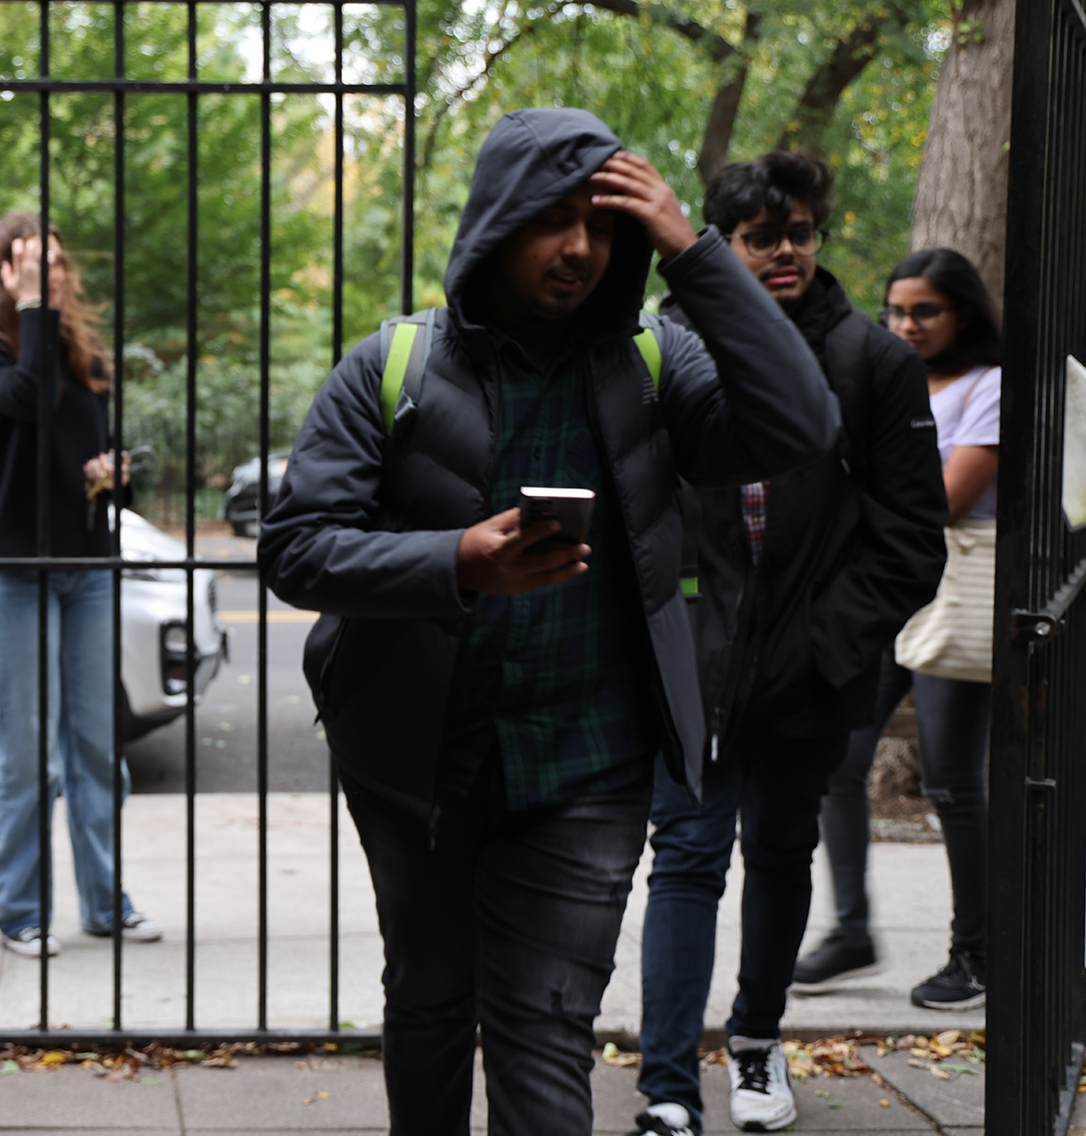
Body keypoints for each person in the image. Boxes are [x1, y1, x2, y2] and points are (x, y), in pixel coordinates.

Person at [259, 108, 837, 1136]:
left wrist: (689, 247)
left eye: (599, 224)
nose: (578, 247)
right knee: (432, 995)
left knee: (542, 1026)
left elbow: (800, 420)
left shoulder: (656, 363)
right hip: (415, 762)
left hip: (588, 763)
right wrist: (454, 560)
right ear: (496, 219)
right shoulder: (388, 366)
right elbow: (296, 547)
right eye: (550, 219)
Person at [630, 153, 947, 1136]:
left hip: (809, 670)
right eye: (760, 235)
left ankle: (757, 1043)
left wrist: (826, 643)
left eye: (798, 232)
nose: (784, 251)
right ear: (716, 243)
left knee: (776, 851)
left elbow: (908, 535)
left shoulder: (870, 360)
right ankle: (667, 1084)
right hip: (689, 665)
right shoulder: (660, 345)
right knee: (685, 857)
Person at [794, 248, 1002, 1011]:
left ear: (963, 314)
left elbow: (941, 500)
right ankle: (851, 929)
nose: (907, 324)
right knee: (838, 765)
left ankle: (974, 955)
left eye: (925, 310)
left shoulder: (991, 388)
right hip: (886, 599)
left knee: (951, 781)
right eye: (896, 310)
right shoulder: (888, 374)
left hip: (953, 599)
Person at [0, 211, 162, 958]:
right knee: (26, 753)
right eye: (32, 263)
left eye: (57, 263)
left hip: (88, 571)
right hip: (14, 574)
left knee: (95, 749)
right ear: (2, 275)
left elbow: (89, 458)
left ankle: (105, 903)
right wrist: (35, 310)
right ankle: (18, 910)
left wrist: (114, 479)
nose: (52, 274)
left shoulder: (85, 360)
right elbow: (25, 402)